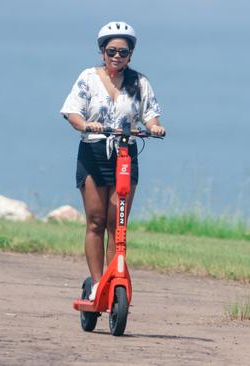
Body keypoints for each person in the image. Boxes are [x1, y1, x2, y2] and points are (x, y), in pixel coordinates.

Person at [60, 21, 165, 300]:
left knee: (116, 223)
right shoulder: (88, 78)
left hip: (125, 154)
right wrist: (84, 125)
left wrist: (154, 127)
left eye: (123, 51)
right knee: (95, 220)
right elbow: (72, 112)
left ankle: (114, 277)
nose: (117, 56)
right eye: (111, 51)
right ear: (101, 51)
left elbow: (150, 115)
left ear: (131, 54)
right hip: (93, 154)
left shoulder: (138, 82)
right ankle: (97, 284)